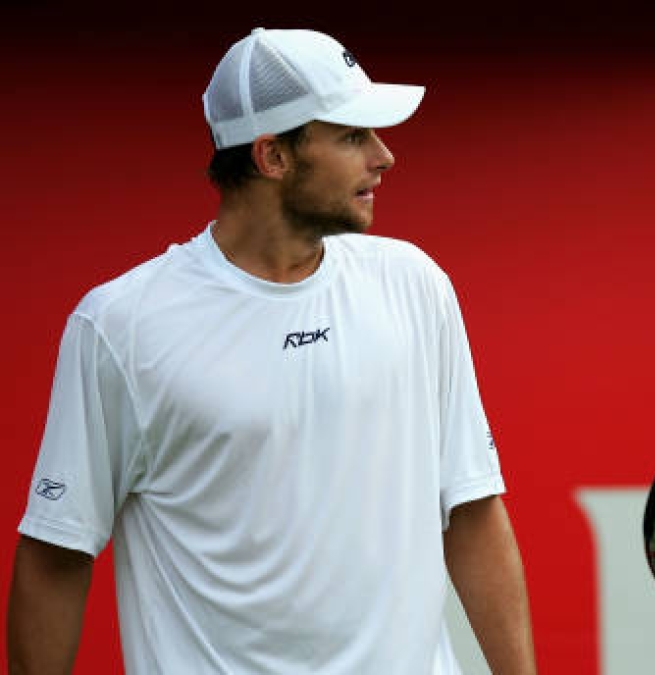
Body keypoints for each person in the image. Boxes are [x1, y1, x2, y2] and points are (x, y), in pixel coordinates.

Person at [7, 28, 537, 674]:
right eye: (350, 136)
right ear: (273, 157)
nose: (384, 156)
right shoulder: (118, 327)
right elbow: (55, 556)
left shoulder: (415, 285)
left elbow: (474, 514)